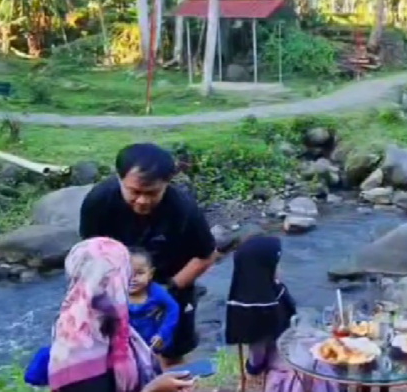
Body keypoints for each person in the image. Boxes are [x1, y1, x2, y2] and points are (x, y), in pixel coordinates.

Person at [80, 144, 218, 365]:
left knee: (171, 351)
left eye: (152, 193)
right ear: (119, 178)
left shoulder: (183, 209)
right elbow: (91, 253)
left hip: (170, 285)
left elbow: (206, 255)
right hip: (118, 288)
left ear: (167, 182)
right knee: (114, 351)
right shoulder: (99, 202)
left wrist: (167, 290)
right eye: (134, 192)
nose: (143, 201)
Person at [48, 237, 195, 392]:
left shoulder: (112, 324)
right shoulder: (78, 351)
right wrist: (154, 389)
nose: (128, 281)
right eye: (123, 275)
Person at [224, 236, 330, 392]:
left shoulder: (260, 294)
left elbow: (257, 352)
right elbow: (258, 349)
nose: (280, 268)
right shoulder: (262, 303)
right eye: (276, 264)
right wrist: (254, 369)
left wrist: (253, 367)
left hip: (290, 352)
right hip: (287, 364)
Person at [128, 249, 180, 363]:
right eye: (128, 273)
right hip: (126, 342)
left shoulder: (155, 291)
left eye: (140, 273)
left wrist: (163, 333)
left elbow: (173, 308)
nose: (133, 278)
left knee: (154, 365)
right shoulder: (117, 292)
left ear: (150, 274)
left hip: (151, 339)